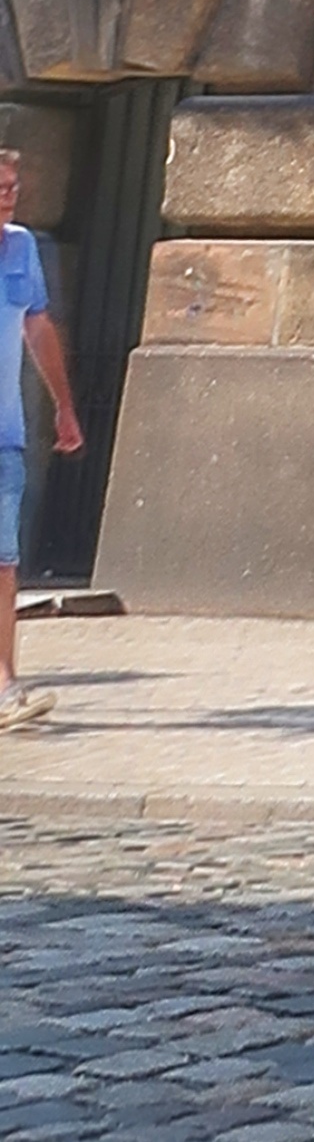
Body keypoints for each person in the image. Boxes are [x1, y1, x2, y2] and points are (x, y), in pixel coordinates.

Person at [0, 150, 83, 731]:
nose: (10, 196)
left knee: (4, 564)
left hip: (4, 435)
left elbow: (37, 326)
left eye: (13, 187)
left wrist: (64, 407)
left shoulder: (22, 247)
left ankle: (4, 686)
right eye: (0, 188)